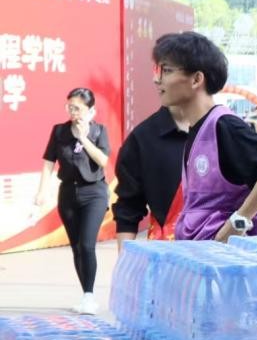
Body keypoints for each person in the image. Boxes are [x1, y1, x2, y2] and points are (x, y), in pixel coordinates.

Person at [152, 31, 257, 241]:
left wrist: (236, 224)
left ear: (196, 79)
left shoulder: (223, 125)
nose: (157, 79)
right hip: (200, 250)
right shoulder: (197, 129)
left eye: (166, 71)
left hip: (225, 256)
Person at [34, 87, 111, 314]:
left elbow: (103, 160)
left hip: (94, 193)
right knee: (77, 247)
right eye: (69, 107)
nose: (72, 112)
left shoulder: (99, 131)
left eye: (77, 108)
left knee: (87, 244)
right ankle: (85, 294)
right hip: (68, 194)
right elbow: (49, 161)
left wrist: (83, 138)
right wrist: (42, 191)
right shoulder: (59, 131)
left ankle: (90, 296)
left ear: (90, 110)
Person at [113, 104, 190, 246]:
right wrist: (124, 258)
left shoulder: (223, 128)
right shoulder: (142, 138)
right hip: (168, 252)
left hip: (222, 253)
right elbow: (129, 206)